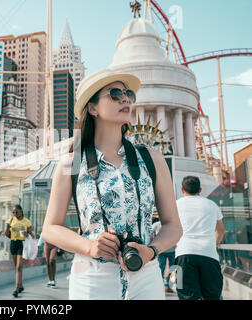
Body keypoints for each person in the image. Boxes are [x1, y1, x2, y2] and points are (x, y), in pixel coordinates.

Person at [42, 68, 183, 300]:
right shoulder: (71, 163)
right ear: (93, 107)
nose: (126, 98)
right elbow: (50, 228)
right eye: (115, 93)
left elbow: (173, 226)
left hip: (146, 275)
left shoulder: (152, 158)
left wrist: (151, 251)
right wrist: (89, 247)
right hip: (91, 278)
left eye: (129, 94)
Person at [175, 176, 226, 300]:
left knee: (185, 294)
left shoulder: (176, 205)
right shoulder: (212, 205)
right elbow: (221, 231)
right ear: (200, 189)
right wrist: (215, 243)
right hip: (208, 254)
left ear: (182, 189)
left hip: (183, 254)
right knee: (213, 295)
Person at [5, 204, 35, 298]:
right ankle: (21, 285)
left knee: (18, 267)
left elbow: (32, 235)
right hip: (13, 244)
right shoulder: (10, 221)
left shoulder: (27, 222)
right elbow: (6, 235)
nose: (15, 214)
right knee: (17, 267)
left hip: (22, 244)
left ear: (21, 211)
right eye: (13, 212)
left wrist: (27, 234)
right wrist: (7, 228)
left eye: (16, 212)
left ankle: (16, 289)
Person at [152, 217, 176, 293]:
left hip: (161, 249)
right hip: (172, 249)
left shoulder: (156, 225)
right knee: (172, 268)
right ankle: (168, 286)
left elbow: (152, 235)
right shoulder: (173, 224)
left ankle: (159, 286)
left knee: (160, 268)